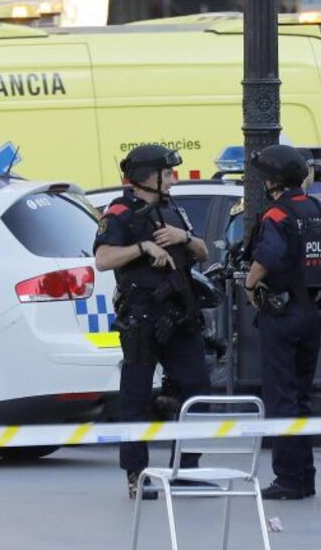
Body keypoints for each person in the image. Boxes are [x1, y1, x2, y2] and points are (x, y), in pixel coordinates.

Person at [93, 144, 212, 500]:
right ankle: (138, 475)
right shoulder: (120, 212)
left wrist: (184, 238)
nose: (173, 179)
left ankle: (186, 470)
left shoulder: (173, 208)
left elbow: (204, 251)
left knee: (197, 389)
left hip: (180, 317)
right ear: (148, 177)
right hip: (142, 317)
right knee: (137, 397)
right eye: (167, 174)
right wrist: (143, 247)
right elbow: (103, 259)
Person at [244, 143, 321, 500]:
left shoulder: (277, 214)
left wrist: (249, 284)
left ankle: (288, 480)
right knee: (301, 397)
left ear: (273, 180)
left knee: (281, 399)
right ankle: (305, 477)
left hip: (282, 314)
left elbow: (267, 258)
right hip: (312, 314)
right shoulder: (316, 208)